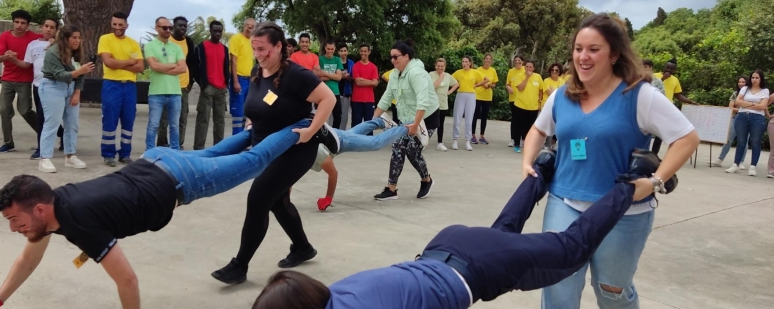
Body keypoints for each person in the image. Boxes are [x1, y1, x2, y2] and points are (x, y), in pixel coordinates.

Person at [0, 119, 340, 309]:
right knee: (218, 151)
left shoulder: (78, 223)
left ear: (38, 209)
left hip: (181, 180)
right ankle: (255, 128)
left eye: (13, 220)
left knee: (254, 160)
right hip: (158, 158)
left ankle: (302, 126)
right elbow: (27, 259)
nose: (13, 229)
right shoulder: (54, 205)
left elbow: (127, 280)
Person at [250, 150, 680, 309]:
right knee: (503, 233)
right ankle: (542, 171)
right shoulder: (334, 293)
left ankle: (633, 184)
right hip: (445, 244)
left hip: (468, 266)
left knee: (571, 249)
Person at [522, 13, 699, 309]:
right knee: (557, 287)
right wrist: (528, 162)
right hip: (564, 203)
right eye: (578, 49)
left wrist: (654, 181)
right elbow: (538, 129)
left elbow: (687, 138)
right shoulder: (563, 95)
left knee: (611, 292)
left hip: (623, 212)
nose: (583, 56)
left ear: (614, 54)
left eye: (594, 49)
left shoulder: (639, 95)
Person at [210, 22, 341, 285]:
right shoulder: (258, 70)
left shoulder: (296, 74)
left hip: (296, 149)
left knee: (259, 198)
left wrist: (311, 130)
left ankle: (239, 266)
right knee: (278, 202)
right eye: (254, 49)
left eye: (264, 49)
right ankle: (303, 247)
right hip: (264, 148)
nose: (258, 54)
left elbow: (328, 99)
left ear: (279, 46)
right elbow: (256, 103)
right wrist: (251, 122)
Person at [372, 40, 437, 201]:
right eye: (391, 58)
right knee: (398, 147)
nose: (393, 60)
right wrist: (372, 120)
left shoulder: (416, 73)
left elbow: (423, 101)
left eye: (396, 57)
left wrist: (415, 125)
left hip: (426, 117)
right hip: (407, 118)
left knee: (413, 151)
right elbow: (386, 98)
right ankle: (391, 189)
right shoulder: (394, 74)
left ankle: (426, 180)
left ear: (406, 57)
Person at [312, 114, 408, 210]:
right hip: (333, 138)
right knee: (352, 133)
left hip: (339, 141)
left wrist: (328, 197)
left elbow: (333, 174)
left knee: (375, 143)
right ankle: (381, 121)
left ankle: (409, 127)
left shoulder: (316, 151)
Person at [36, 25, 95, 173]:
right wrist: (79, 71)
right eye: (74, 37)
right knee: (52, 123)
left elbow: (81, 75)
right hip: (52, 87)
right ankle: (45, 158)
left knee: (72, 124)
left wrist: (77, 93)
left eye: (79, 37)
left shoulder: (76, 52)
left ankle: (70, 156)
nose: (77, 40)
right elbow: (60, 75)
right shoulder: (52, 52)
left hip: (70, 87)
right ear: (65, 38)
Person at [98, 12, 145, 166]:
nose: (117, 27)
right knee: (110, 121)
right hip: (112, 85)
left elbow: (140, 66)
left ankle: (125, 154)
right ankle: (108, 154)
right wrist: (130, 62)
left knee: (128, 120)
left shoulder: (133, 43)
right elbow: (108, 62)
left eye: (121, 24)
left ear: (126, 25)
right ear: (111, 24)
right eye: (115, 24)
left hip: (130, 86)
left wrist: (121, 62)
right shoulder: (105, 39)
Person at [0, 9, 41, 153]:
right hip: (8, 78)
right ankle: (8, 143)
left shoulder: (33, 37)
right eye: (17, 22)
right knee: (4, 110)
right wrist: (7, 56)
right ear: (13, 22)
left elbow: (49, 35)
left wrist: (52, 39)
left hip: (25, 80)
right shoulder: (5, 37)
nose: (19, 25)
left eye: (23, 23)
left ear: (28, 25)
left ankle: (49, 135)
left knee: (25, 111)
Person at [144, 17, 188, 151]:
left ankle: (175, 151)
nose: (168, 30)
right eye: (164, 28)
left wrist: (161, 66)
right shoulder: (150, 46)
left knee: (174, 125)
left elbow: (182, 68)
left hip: (175, 92)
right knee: (153, 124)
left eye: (170, 27)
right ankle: (150, 152)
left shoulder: (176, 47)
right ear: (157, 28)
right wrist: (173, 66)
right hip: (156, 92)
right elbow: (153, 66)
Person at [20, 18, 59, 160]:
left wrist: (56, 45)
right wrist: (11, 59)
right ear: (41, 27)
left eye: (52, 27)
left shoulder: (60, 45)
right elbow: (27, 64)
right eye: (46, 26)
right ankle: (46, 144)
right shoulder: (33, 45)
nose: (48, 29)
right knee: (41, 117)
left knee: (48, 118)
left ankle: (47, 147)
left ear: (56, 30)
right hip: (37, 85)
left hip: (54, 86)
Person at [156, 16, 196, 150]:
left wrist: (190, 82)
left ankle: (178, 144)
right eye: (180, 25)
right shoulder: (167, 41)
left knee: (182, 118)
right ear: (173, 26)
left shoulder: (188, 42)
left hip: (183, 86)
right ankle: (162, 143)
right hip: (168, 85)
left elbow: (191, 63)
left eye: (185, 26)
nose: (182, 28)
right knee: (165, 118)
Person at [192, 20, 231, 149]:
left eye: (220, 31)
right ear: (210, 31)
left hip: (221, 89)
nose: (218, 33)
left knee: (220, 121)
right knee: (203, 120)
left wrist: (226, 82)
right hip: (207, 89)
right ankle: (198, 148)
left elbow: (226, 67)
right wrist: (203, 84)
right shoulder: (201, 47)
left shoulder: (224, 49)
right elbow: (195, 68)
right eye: (215, 31)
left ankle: (218, 148)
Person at [727, 70, 769, 176]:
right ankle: (736, 164)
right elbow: (737, 102)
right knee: (741, 141)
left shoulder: (765, 91)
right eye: (753, 77)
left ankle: (753, 166)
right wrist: (755, 104)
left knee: (755, 142)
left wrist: (745, 104)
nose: (754, 80)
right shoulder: (745, 89)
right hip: (742, 116)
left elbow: (763, 106)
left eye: (757, 78)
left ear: (761, 79)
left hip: (757, 118)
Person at [652, 58, 698, 153]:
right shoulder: (655, 76)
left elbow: (678, 95)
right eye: (667, 67)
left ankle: (654, 153)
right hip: (653, 107)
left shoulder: (675, 80)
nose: (669, 70)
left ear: (675, 70)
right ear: (664, 66)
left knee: (660, 133)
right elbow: (651, 87)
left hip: (666, 109)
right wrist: (663, 78)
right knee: (648, 131)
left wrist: (690, 101)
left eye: (671, 69)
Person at [450, 56, 487, 151]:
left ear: (470, 63)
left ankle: (467, 140)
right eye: (463, 61)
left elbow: (486, 79)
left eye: (466, 62)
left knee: (469, 119)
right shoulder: (458, 72)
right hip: (461, 94)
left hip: (471, 95)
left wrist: (477, 85)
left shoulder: (475, 72)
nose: (464, 63)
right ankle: (455, 140)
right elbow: (449, 80)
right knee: (457, 117)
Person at [710, 76, 748, 168]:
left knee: (744, 142)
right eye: (739, 82)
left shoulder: (750, 94)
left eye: (743, 82)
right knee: (728, 140)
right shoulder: (735, 93)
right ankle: (720, 160)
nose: (741, 84)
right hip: (734, 118)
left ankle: (741, 162)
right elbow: (731, 107)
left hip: (747, 120)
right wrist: (741, 110)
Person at [228, 18, 256, 135]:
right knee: (238, 113)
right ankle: (236, 142)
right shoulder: (236, 39)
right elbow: (233, 61)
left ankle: (242, 141)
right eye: (247, 25)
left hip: (250, 80)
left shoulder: (253, 41)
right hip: (239, 79)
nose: (250, 28)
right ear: (243, 26)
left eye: (252, 26)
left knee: (247, 112)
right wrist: (235, 81)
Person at [512, 60, 545, 153]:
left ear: (533, 68)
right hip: (520, 105)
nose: (528, 68)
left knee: (530, 127)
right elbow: (520, 88)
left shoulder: (538, 77)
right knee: (518, 126)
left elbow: (541, 90)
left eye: (530, 67)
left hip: (533, 107)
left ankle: (526, 144)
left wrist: (540, 102)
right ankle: (517, 144)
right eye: (527, 66)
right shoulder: (520, 76)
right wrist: (527, 77)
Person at [430, 58, 459, 152]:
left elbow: (456, 84)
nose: (440, 68)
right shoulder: (431, 74)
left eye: (442, 66)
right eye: (438, 66)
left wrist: (449, 92)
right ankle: (423, 143)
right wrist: (441, 77)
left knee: (440, 124)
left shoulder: (448, 76)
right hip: (432, 104)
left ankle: (440, 143)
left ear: (445, 67)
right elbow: (433, 86)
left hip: (443, 104)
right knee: (429, 125)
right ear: (435, 66)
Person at [315, 40, 344, 129]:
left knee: (338, 116)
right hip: (322, 92)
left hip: (335, 92)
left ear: (335, 49)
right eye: (328, 49)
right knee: (319, 116)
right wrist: (333, 75)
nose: (330, 51)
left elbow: (339, 77)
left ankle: (334, 134)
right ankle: (320, 134)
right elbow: (318, 77)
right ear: (325, 48)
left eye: (332, 49)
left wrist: (324, 73)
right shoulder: (320, 59)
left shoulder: (337, 60)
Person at [350, 44, 379, 128]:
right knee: (356, 125)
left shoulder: (373, 67)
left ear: (369, 52)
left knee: (369, 126)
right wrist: (371, 81)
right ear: (359, 52)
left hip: (369, 100)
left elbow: (375, 83)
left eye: (365, 51)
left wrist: (362, 79)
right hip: (357, 100)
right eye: (362, 51)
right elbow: (358, 82)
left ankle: (368, 141)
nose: (363, 53)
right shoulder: (355, 66)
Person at [472, 53, 498, 145]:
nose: (488, 60)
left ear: (491, 61)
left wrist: (490, 85)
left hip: (487, 97)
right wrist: (483, 84)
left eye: (489, 59)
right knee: (475, 116)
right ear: (484, 60)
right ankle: (473, 135)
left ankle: (482, 136)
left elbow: (495, 83)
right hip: (478, 96)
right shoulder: (478, 70)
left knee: (484, 117)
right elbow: (475, 81)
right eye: (486, 58)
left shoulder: (493, 71)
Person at [506, 55, 526, 148]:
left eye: (519, 60)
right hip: (513, 98)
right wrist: (509, 88)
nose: (517, 62)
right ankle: (513, 139)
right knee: (514, 119)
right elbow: (507, 84)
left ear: (523, 62)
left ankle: (522, 139)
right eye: (516, 60)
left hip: (523, 99)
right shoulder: (511, 71)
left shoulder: (525, 71)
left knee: (522, 120)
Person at [337, 42, 355, 130]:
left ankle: (342, 135)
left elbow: (354, 79)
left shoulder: (351, 63)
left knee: (344, 117)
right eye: (341, 51)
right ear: (338, 52)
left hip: (346, 93)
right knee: (334, 116)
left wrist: (347, 77)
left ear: (347, 51)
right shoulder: (335, 61)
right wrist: (340, 76)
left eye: (345, 51)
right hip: (335, 92)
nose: (343, 53)